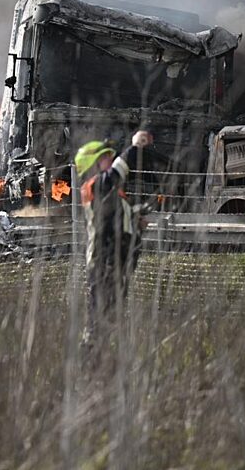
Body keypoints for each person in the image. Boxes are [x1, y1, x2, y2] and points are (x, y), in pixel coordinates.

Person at [75, 130, 152, 337]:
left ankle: (102, 363)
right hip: (103, 264)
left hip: (117, 264)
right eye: (105, 158)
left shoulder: (110, 194)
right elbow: (113, 176)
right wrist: (134, 147)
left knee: (110, 322)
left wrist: (136, 219)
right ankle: (89, 361)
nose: (110, 160)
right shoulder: (94, 185)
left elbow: (115, 219)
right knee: (98, 322)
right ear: (92, 165)